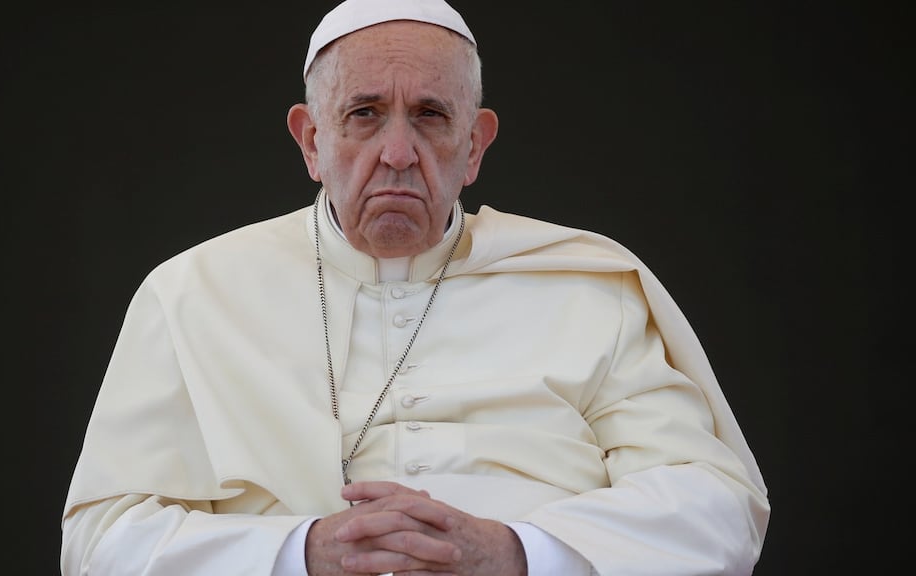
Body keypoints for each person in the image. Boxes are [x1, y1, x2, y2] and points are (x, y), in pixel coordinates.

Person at [60, 0, 770, 574]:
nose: (397, 154)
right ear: (311, 141)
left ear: (475, 147)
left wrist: (517, 554)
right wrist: (300, 553)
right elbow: (101, 542)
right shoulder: (192, 295)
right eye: (364, 114)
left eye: (431, 117)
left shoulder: (587, 288)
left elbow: (715, 507)